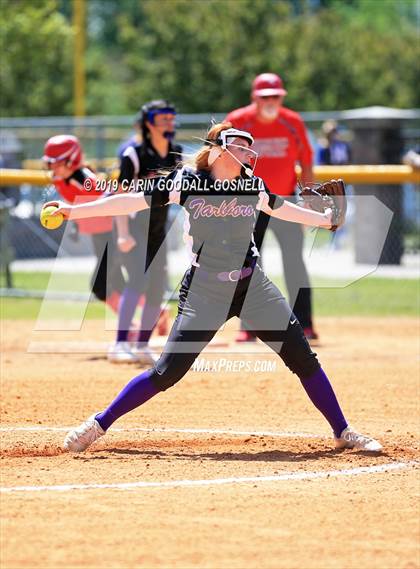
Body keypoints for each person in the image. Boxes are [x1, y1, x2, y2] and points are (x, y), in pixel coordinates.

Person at [43, 122, 382, 454]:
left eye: (249, 146)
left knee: (304, 359)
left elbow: (283, 209)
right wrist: (72, 210)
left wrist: (327, 220)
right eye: (239, 145)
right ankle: (99, 423)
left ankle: (342, 430)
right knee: (166, 373)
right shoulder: (186, 182)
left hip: (252, 287)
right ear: (219, 150)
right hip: (205, 290)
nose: (248, 152)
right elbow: (128, 202)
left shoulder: (252, 183)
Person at [226, 72, 318, 342]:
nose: (271, 101)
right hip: (246, 202)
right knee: (248, 264)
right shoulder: (238, 121)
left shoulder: (292, 122)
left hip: (284, 200)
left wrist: (309, 199)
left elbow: (307, 162)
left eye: (275, 96)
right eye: (265, 96)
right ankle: (249, 325)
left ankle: (305, 323)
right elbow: (222, 159)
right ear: (254, 97)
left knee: (294, 262)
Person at [108, 100, 183, 364]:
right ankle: (119, 343)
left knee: (156, 289)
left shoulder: (176, 153)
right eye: (161, 118)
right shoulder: (134, 154)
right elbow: (119, 196)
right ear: (148, 123)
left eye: (170, 117)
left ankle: (141, 344)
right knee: (137, 281)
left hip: (158, 228)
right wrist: (122, 233)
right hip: (133, 226)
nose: (168, 123)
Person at [42, 135, 125, 313]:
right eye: (50, 163)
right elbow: (77, 204)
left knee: (99, 287)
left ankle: (131, 327)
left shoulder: (83, 178)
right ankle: (156, 315)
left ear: (72, 160)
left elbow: (111, 195)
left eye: (58, 163)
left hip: (113, 233)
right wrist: (75, 224)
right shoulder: (59, 178)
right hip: (99, 234)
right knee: (118, 284)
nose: (52, 168)